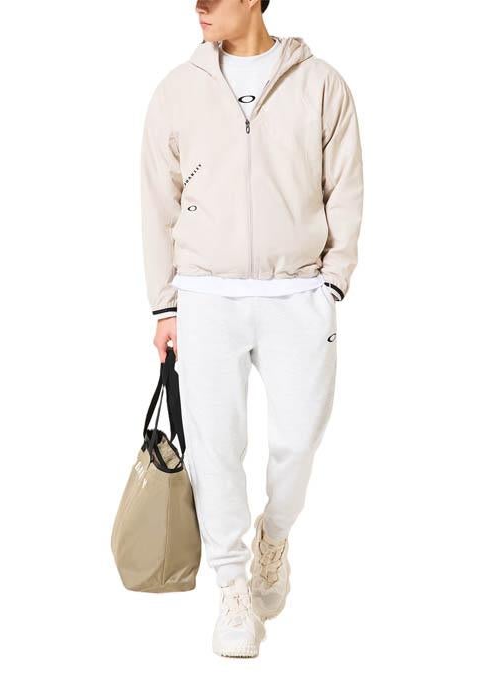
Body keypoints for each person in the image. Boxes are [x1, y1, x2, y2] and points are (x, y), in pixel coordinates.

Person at [140, 0, 363, 658]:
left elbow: (346, 186)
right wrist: (165, 306)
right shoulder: (178, 90)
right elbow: (156, 200)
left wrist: (333, 280)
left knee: (298, 440)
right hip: (206, 295)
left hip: (298, 292)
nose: (200, 4)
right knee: (216, 449)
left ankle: (274, 538)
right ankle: (232, 586)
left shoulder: (320, 83)